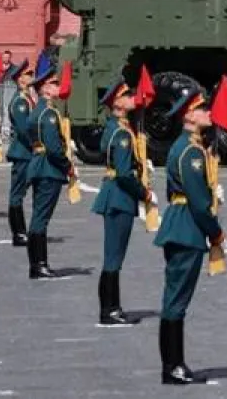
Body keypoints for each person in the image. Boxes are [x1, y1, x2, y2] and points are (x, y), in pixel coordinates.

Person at [153, 86, 224, 385]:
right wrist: (216, 232)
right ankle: (173, 367)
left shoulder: (189, 147)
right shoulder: (190, 152)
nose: (209, 113)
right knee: (176, 301)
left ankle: (174, 364)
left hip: (180, 224)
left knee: (175, 299)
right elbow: (197, 201)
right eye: (204, 109)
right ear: (190, 114)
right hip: (187, 228)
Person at [92, 79, 151, 327]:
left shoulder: (115, 128)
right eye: (127, 95)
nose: (132, 98)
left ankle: (112, 307)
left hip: (113, 193)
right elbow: (125, 173)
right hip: (120, 196)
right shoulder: (122, 134)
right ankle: (110, 310)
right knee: (114, 257)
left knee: (113, 256)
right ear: (117, 102)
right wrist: (144, 193)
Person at [26, 54, 73, 279]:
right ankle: (39, 264)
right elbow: (54, 148)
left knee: (38, 215)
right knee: (41, 218)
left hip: (38, 165)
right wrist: (67, 166)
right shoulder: (49, 114)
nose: (57, 86)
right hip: (48, 168)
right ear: (44, 88)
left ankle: (37, 263)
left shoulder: (37, 112)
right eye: (53, 83)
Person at [4, 59, 37, 246]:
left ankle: (23, 231)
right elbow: (24, 130)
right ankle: (18, 233)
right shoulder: (20, 102)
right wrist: (37, 145)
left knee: (22, 192)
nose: (31, 77)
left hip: (28, 152)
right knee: (17, 194)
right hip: (23, 152)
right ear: (19, 80)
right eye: (28, 74)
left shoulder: (28, 99)